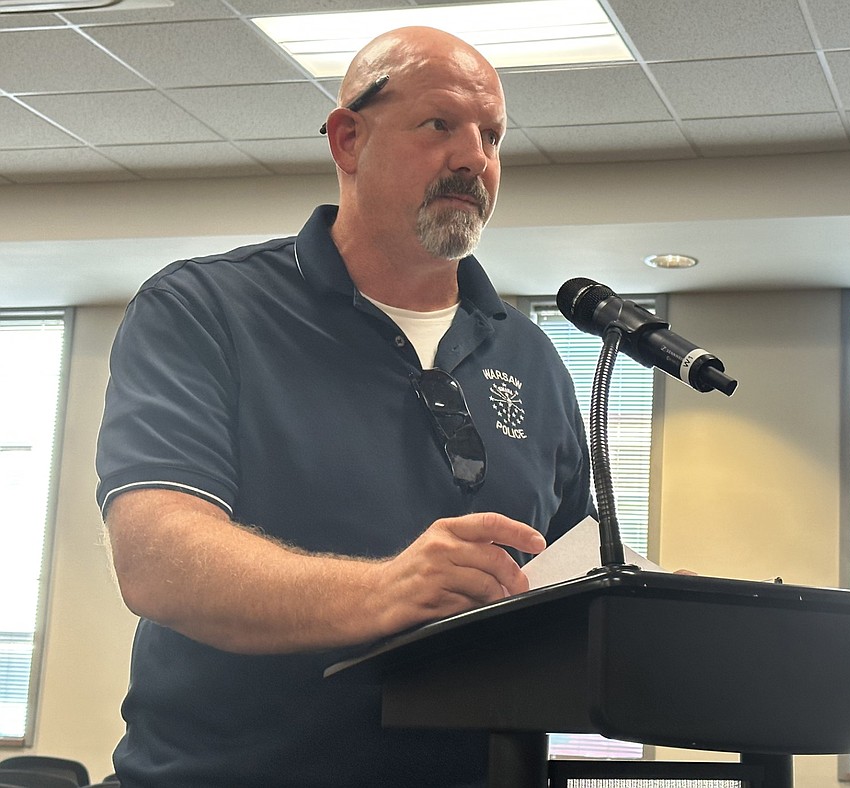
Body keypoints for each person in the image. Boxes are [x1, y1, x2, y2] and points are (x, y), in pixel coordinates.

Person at [95, 26, 594, 788]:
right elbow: (157, 561)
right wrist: (384, 589)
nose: (474, 158)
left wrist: (646, 618)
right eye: (440, 125)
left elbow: (562, 584)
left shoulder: (530, 357)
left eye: (492, 135)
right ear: (347, 139)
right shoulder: (203, 310)